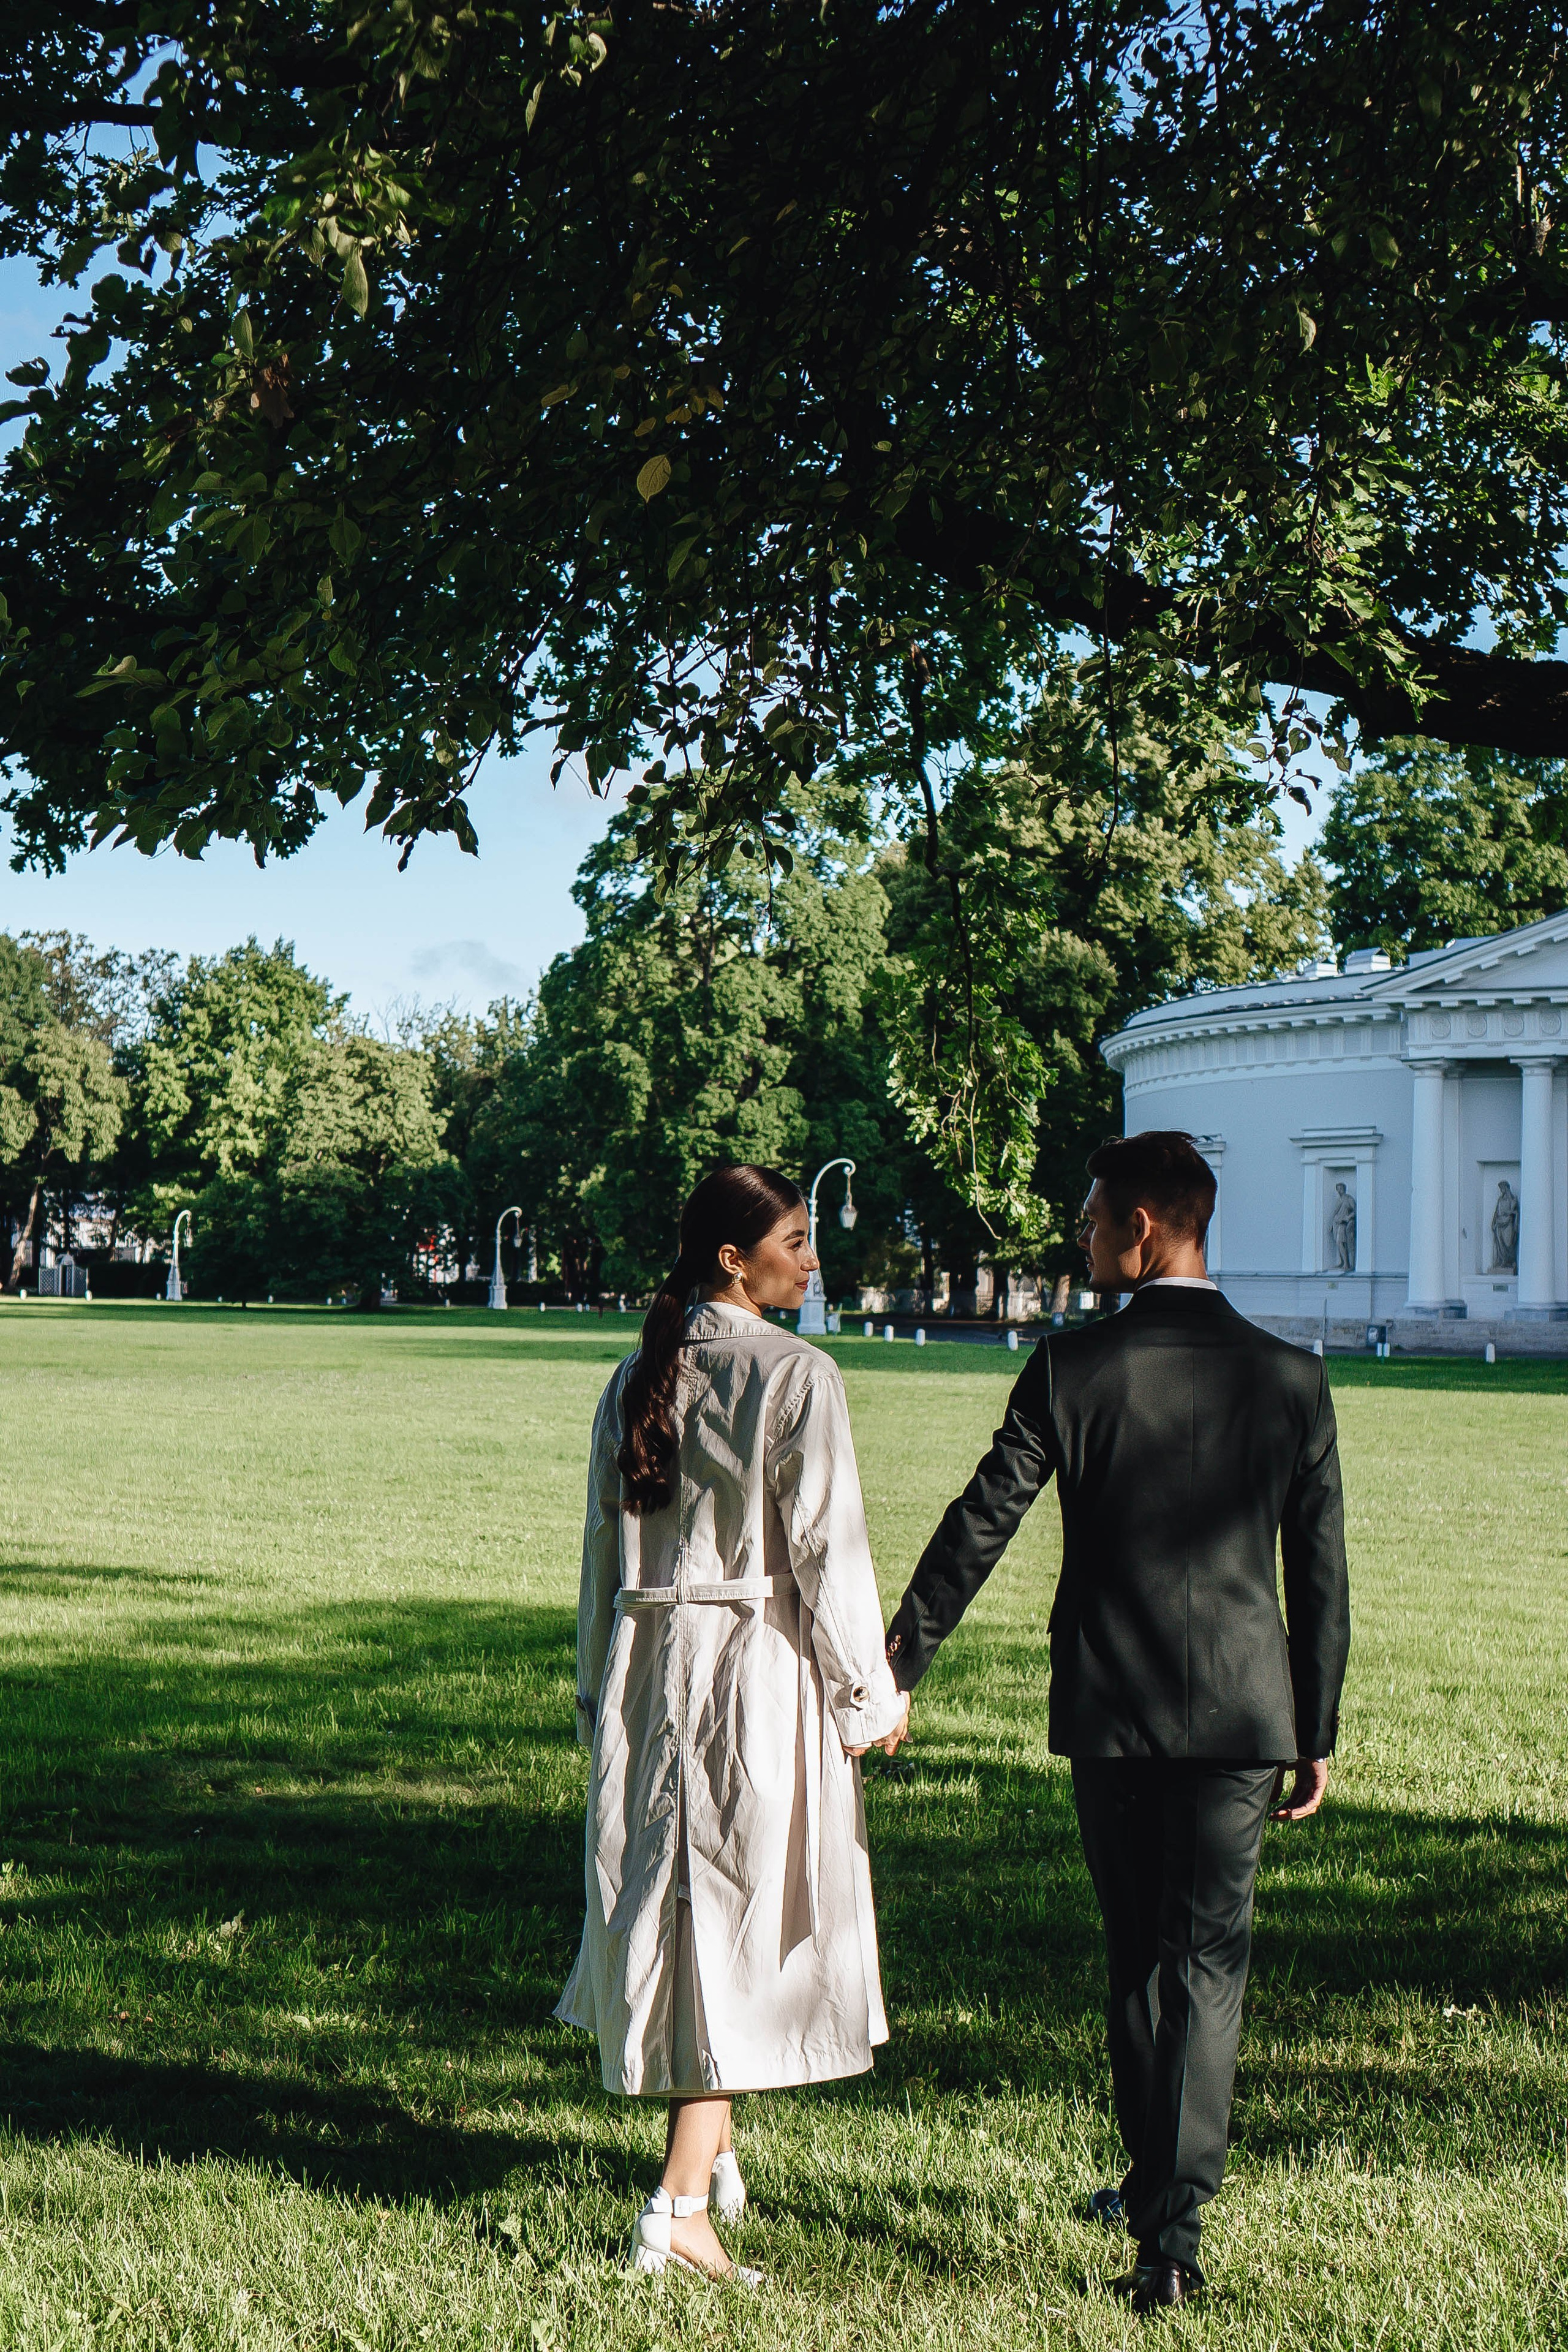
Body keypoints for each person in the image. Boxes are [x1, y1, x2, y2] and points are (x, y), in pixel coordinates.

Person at [884, 1131, 1350, 2316]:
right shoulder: (1292, 1378)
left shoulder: (1070, 1366)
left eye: (1092, 1219)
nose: (1082, 1236)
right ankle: (1166, 2218)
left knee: (1141, 1959)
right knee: (1203, 1965)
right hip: (1244, 1714)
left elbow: (980, 1520)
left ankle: (1164, 2219)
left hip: (1112, 1707)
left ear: (1144, 1227)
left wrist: (900, 1660)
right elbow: (1319, 1576)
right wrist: (1316, 1725)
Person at [556, 1164, 910, 2283]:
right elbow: (829, 1551)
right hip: (757, 1671)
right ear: (734, 1260)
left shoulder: (637, 1375)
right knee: (741, 1919)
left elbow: (601, 1555)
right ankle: (676, 2206)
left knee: (682, 1906)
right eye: (795, 1242)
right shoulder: (797, 1374)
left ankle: (712, 2157)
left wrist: (595, 1688)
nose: (812, 1260)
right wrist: (868, 1694)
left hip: (648, 1661)